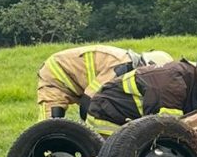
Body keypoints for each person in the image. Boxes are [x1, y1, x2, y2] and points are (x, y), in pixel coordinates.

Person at [85, 46, 197, 136]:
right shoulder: (175, 86)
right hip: (105, 119)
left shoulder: (187, 79)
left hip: (118, 115)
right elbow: (167, 132)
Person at [37, 45, 173, 120]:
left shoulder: (127, 65)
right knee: (47, 129)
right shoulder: (122, 65)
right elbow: (90, 100)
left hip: (74, 83)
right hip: (55, 77)